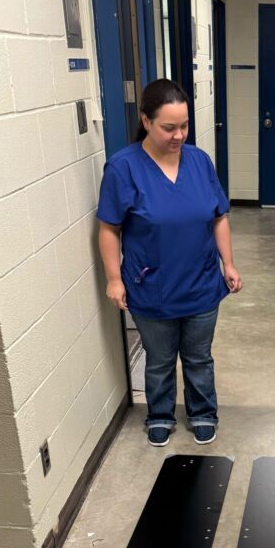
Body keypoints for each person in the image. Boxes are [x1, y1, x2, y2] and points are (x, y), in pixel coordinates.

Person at [97, 79, 242, 447]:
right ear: (146, 121)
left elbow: (219, 215)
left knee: (198, 357)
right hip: (151, 286)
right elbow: (109, 229)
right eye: (169, 127)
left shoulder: (199, 162)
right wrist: (114, 279)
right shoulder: (123, 167)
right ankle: (159, 414)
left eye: (184, 126)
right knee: (160, 360)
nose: (179, 135)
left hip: (202, 282)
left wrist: (229, 263)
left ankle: (202, 412)